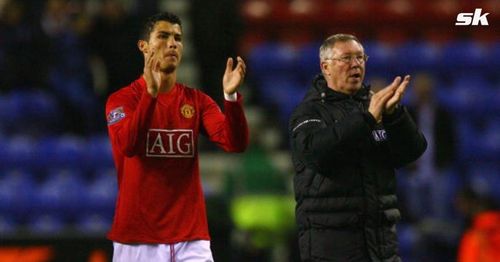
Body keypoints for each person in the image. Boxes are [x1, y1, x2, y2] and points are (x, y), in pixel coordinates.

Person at [105, 12, 249, 261]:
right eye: (163, 36)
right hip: (137, 239)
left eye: (178, 38)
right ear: (144, 46)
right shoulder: (122, 101)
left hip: (191, 238)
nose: (172, 43)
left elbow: (234, 143)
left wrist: (230, 99)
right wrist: (150, 96)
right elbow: (128, 145)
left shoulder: (197, 101)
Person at [289, 33, 427, 261]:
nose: (355, 64)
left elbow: (412, 153)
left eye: (360, 58)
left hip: (381, 244)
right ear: (326, 67)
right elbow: (316, 154)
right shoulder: (309, 112)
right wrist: (367, 119)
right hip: (332, 246)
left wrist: (395, 117)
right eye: (346, 58)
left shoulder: (376, 107)